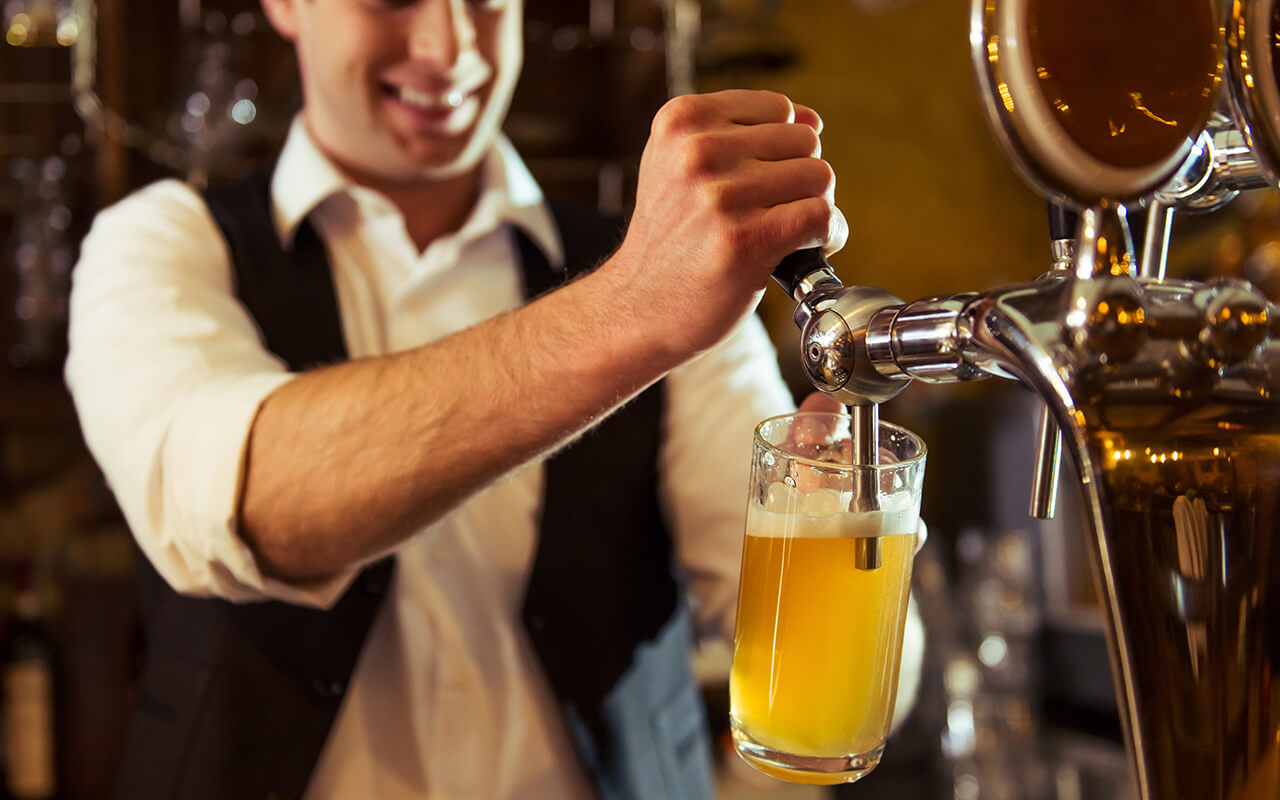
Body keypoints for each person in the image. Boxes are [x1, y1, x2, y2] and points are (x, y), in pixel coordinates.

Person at [65, 0, 922, 798]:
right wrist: (627, 311)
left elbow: (830, 682)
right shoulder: (158, 244)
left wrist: (846, 533)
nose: (450, 49)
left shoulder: (673, 284)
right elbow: (245, 503)